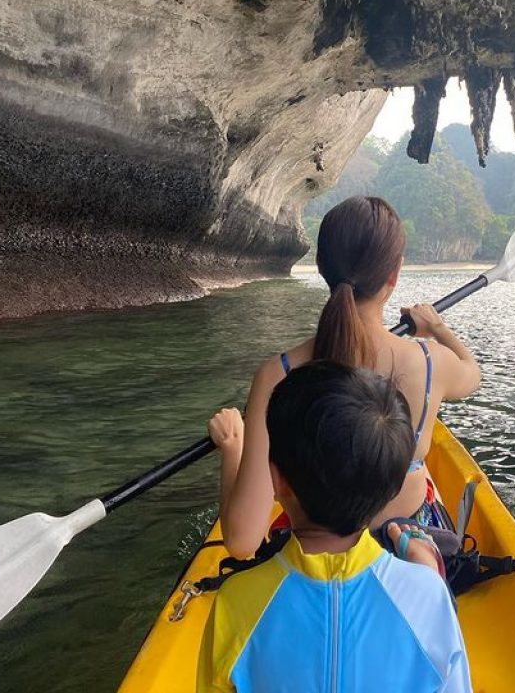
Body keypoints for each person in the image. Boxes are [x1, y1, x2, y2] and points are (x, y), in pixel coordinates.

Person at [208, 196, 481, 558]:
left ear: (321, 265)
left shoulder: (278, 374)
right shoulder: (431, 362)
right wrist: (437, 328)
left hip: (319, 550)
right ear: (394, 274)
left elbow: (242, 543)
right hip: (407, 540)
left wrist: (233, 449)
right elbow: (472, 373)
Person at [197, 361, 472, 693]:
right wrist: (426, 575)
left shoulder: (236, 602)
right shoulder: (429, 597)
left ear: (277, 480)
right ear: (392, 487)